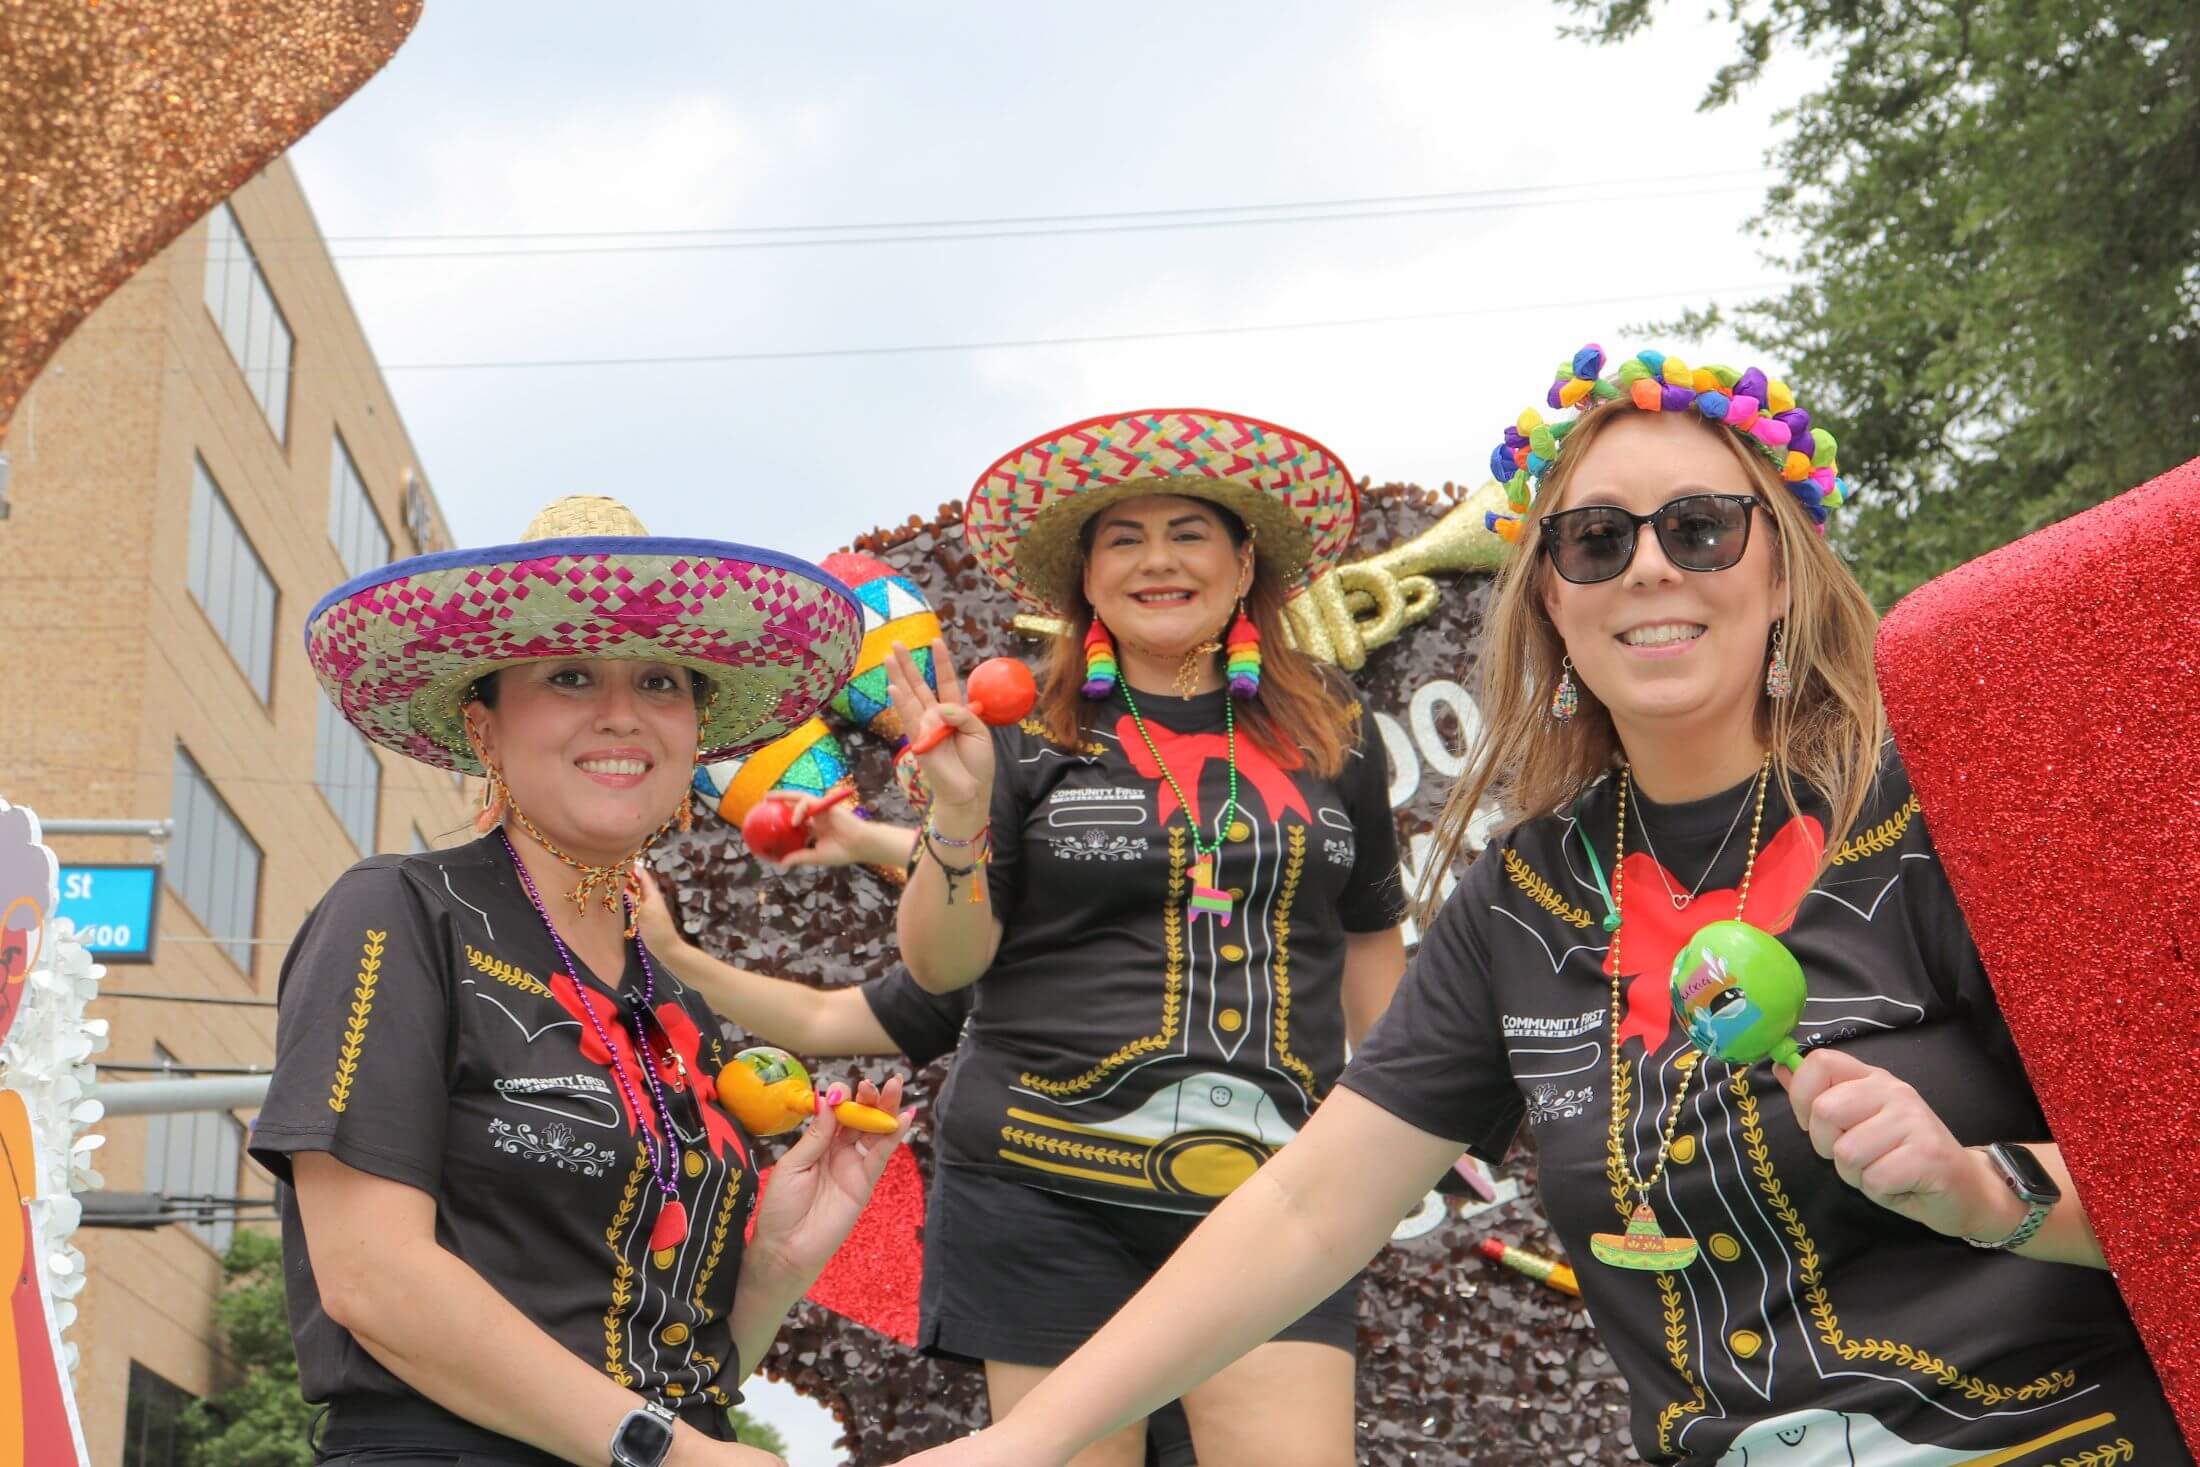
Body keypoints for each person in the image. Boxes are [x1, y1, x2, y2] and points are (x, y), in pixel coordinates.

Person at [881, 350, 2186, 1466]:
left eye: (1703, 527)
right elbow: (1307, 1209)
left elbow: (2172, 1177)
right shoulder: (1522, 902)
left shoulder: (1948, 816)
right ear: (1551, 597)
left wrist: (1981, 1187)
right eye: (1597, 539)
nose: (1650, 570)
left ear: (1781, 568)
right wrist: (1024, 1440)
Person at [253, 496, 913, 1467]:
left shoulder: (679, 1004)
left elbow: (696, 1375)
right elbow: (373, 1281)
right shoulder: (400, 913)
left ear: (694, 737)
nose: (620, 714)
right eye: (569, 676)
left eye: (658, 680)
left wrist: (774, 1263)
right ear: (486, 725)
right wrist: (670, 1453)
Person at [884, 410, 1410, 1467]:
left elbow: (1368, 935)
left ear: (1242, 559)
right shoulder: (1022, 728)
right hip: (1041, 1180)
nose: (1158, 560)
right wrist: (952, 814)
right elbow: (943, 968)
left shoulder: (1329, 724)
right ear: (1084, 576)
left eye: (1188, 532)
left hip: (1275, 1197)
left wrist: (1394, 1139)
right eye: (1122, 538)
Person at [632, 815, 1210, 1467]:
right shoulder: (999, 955)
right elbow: (822, 1017)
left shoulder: (1242, 977)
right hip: (1048, 1255)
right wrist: (675, 955)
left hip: (1222, 1235)